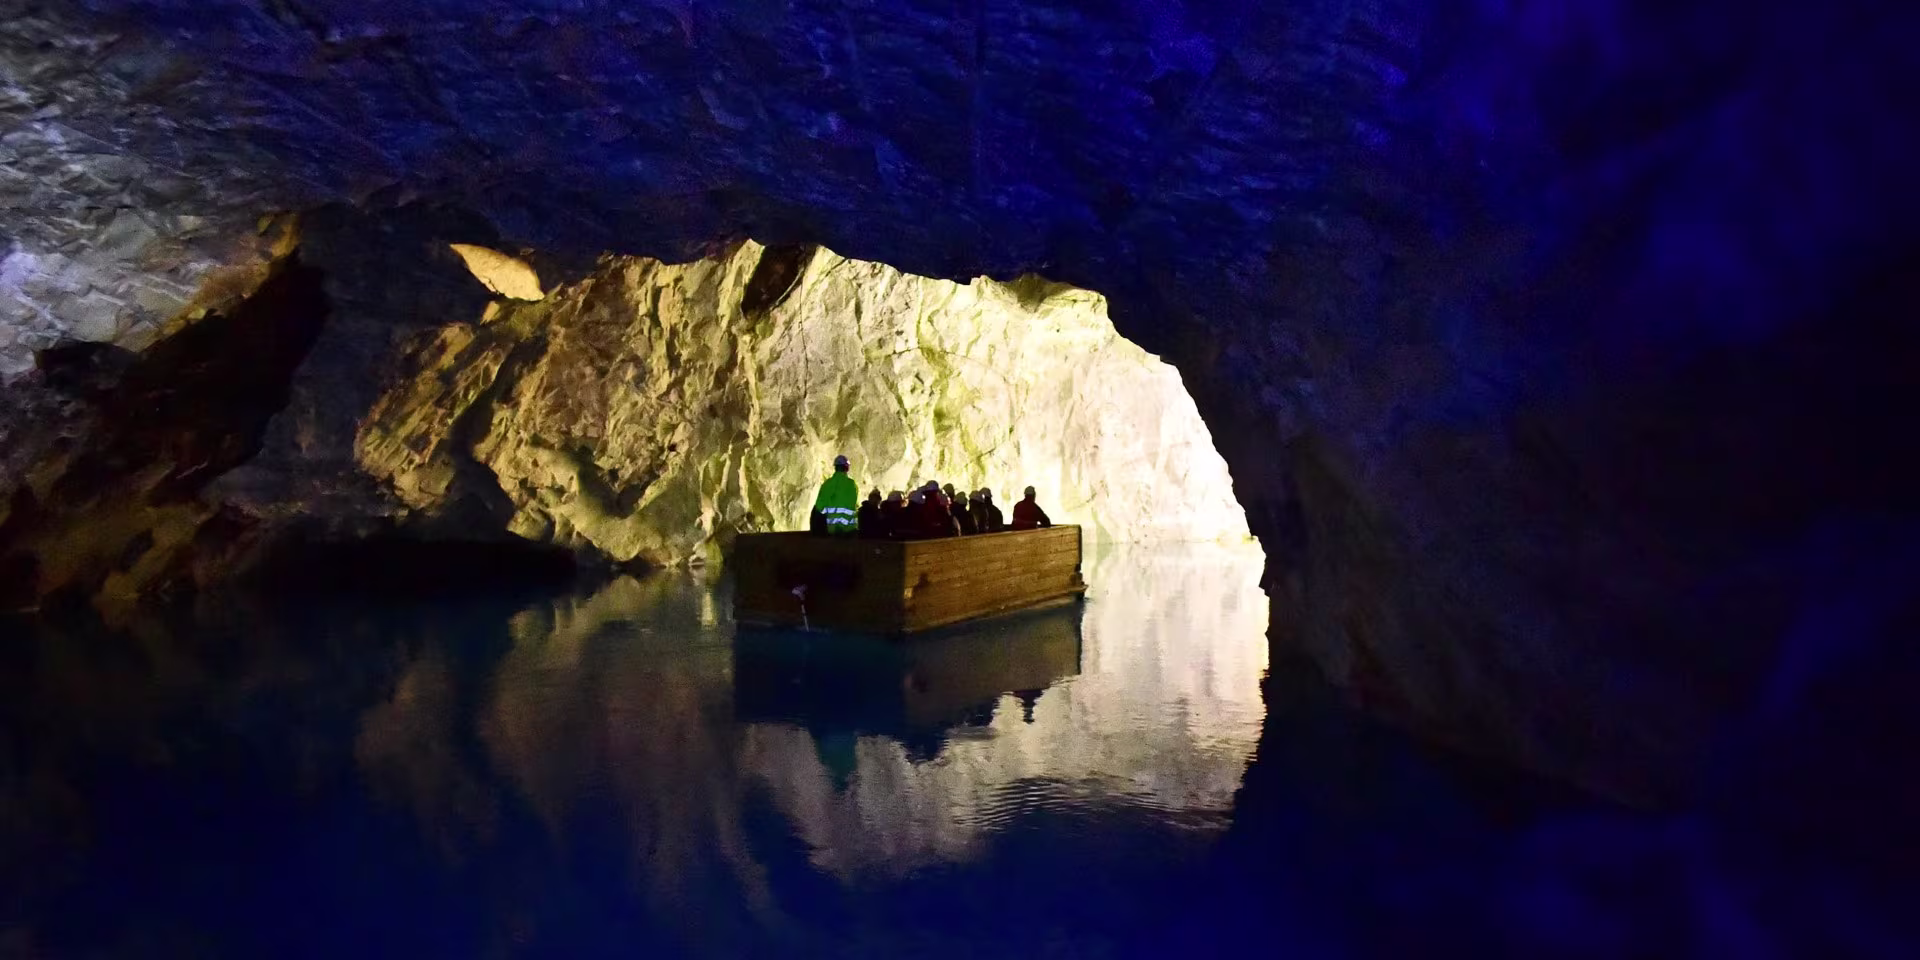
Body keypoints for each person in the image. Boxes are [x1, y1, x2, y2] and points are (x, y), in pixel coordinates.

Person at [812, 454, 859, 535]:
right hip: (850, 529)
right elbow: (855, 504)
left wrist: (826, 514)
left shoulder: (828, 483)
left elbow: (819, 506)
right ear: (847, 468)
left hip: (833, 529)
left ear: (835, 467)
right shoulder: (852, 484)